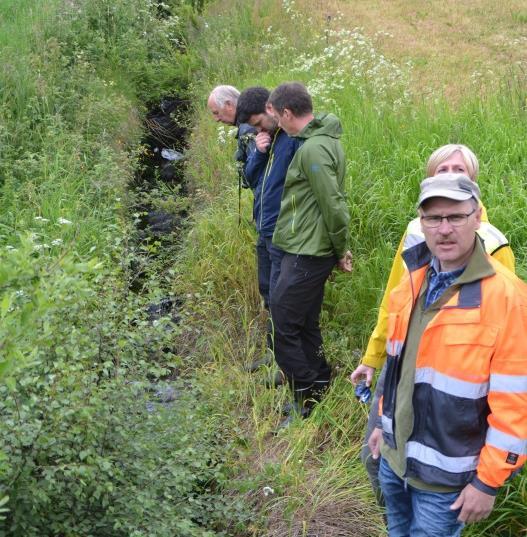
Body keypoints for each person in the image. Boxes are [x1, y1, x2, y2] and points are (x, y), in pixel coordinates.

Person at [349, 144, 515, 502]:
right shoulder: (415, 231)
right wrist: (372, 356)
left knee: (439, 480)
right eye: (443, 169)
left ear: (473, 185)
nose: (451, 173)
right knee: (377, 457)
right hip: (403, 364)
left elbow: (507, 328)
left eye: (460, 168)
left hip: (455, 383)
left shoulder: (494, 242)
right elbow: (394, 300)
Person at [266, 82, 352, 425]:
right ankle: (319, 384)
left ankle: (306, 396)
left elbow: (333, 204)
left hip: (307, 252)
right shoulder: (319, 142)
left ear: (288, 113)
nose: (278, 124)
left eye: (278, 116)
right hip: (306, 248)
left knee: (282, 324)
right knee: (303, 324)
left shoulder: (314, 150)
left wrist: (340, 249)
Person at [236, 87, 301, 378]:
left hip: (282, 232)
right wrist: (259, 153)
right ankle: (276, 356)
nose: (259, 128)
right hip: (264, 229)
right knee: (268, 292)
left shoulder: (291, 139)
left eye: (260, 121)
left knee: (282, 299)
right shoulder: (268, 139)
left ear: (272, 109)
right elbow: (251, 180)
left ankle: (287, 366)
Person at [207, 85, 256, 192]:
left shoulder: (248, 128)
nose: (216, 119)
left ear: (229, 104)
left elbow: (260, 172)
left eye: (216, 113)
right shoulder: (251, 120)